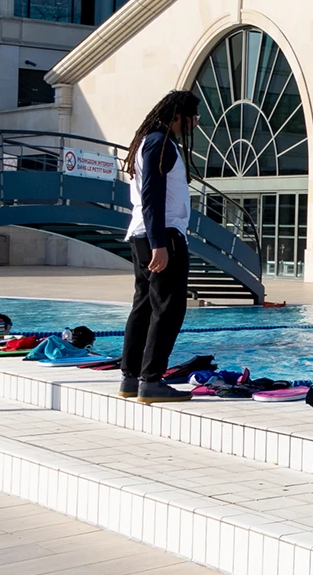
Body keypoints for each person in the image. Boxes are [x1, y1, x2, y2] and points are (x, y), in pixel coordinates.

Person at [120, 91, 201, 404]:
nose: (194, 123)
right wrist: (160, 245)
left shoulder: (148, 141)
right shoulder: (160, 142)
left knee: (144, 306)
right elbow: (152, 194)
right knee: (168, 309)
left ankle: (131, 378)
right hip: (162, 235)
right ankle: (151, 380)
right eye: (192, 116)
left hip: (145, 233)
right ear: (178, 115)